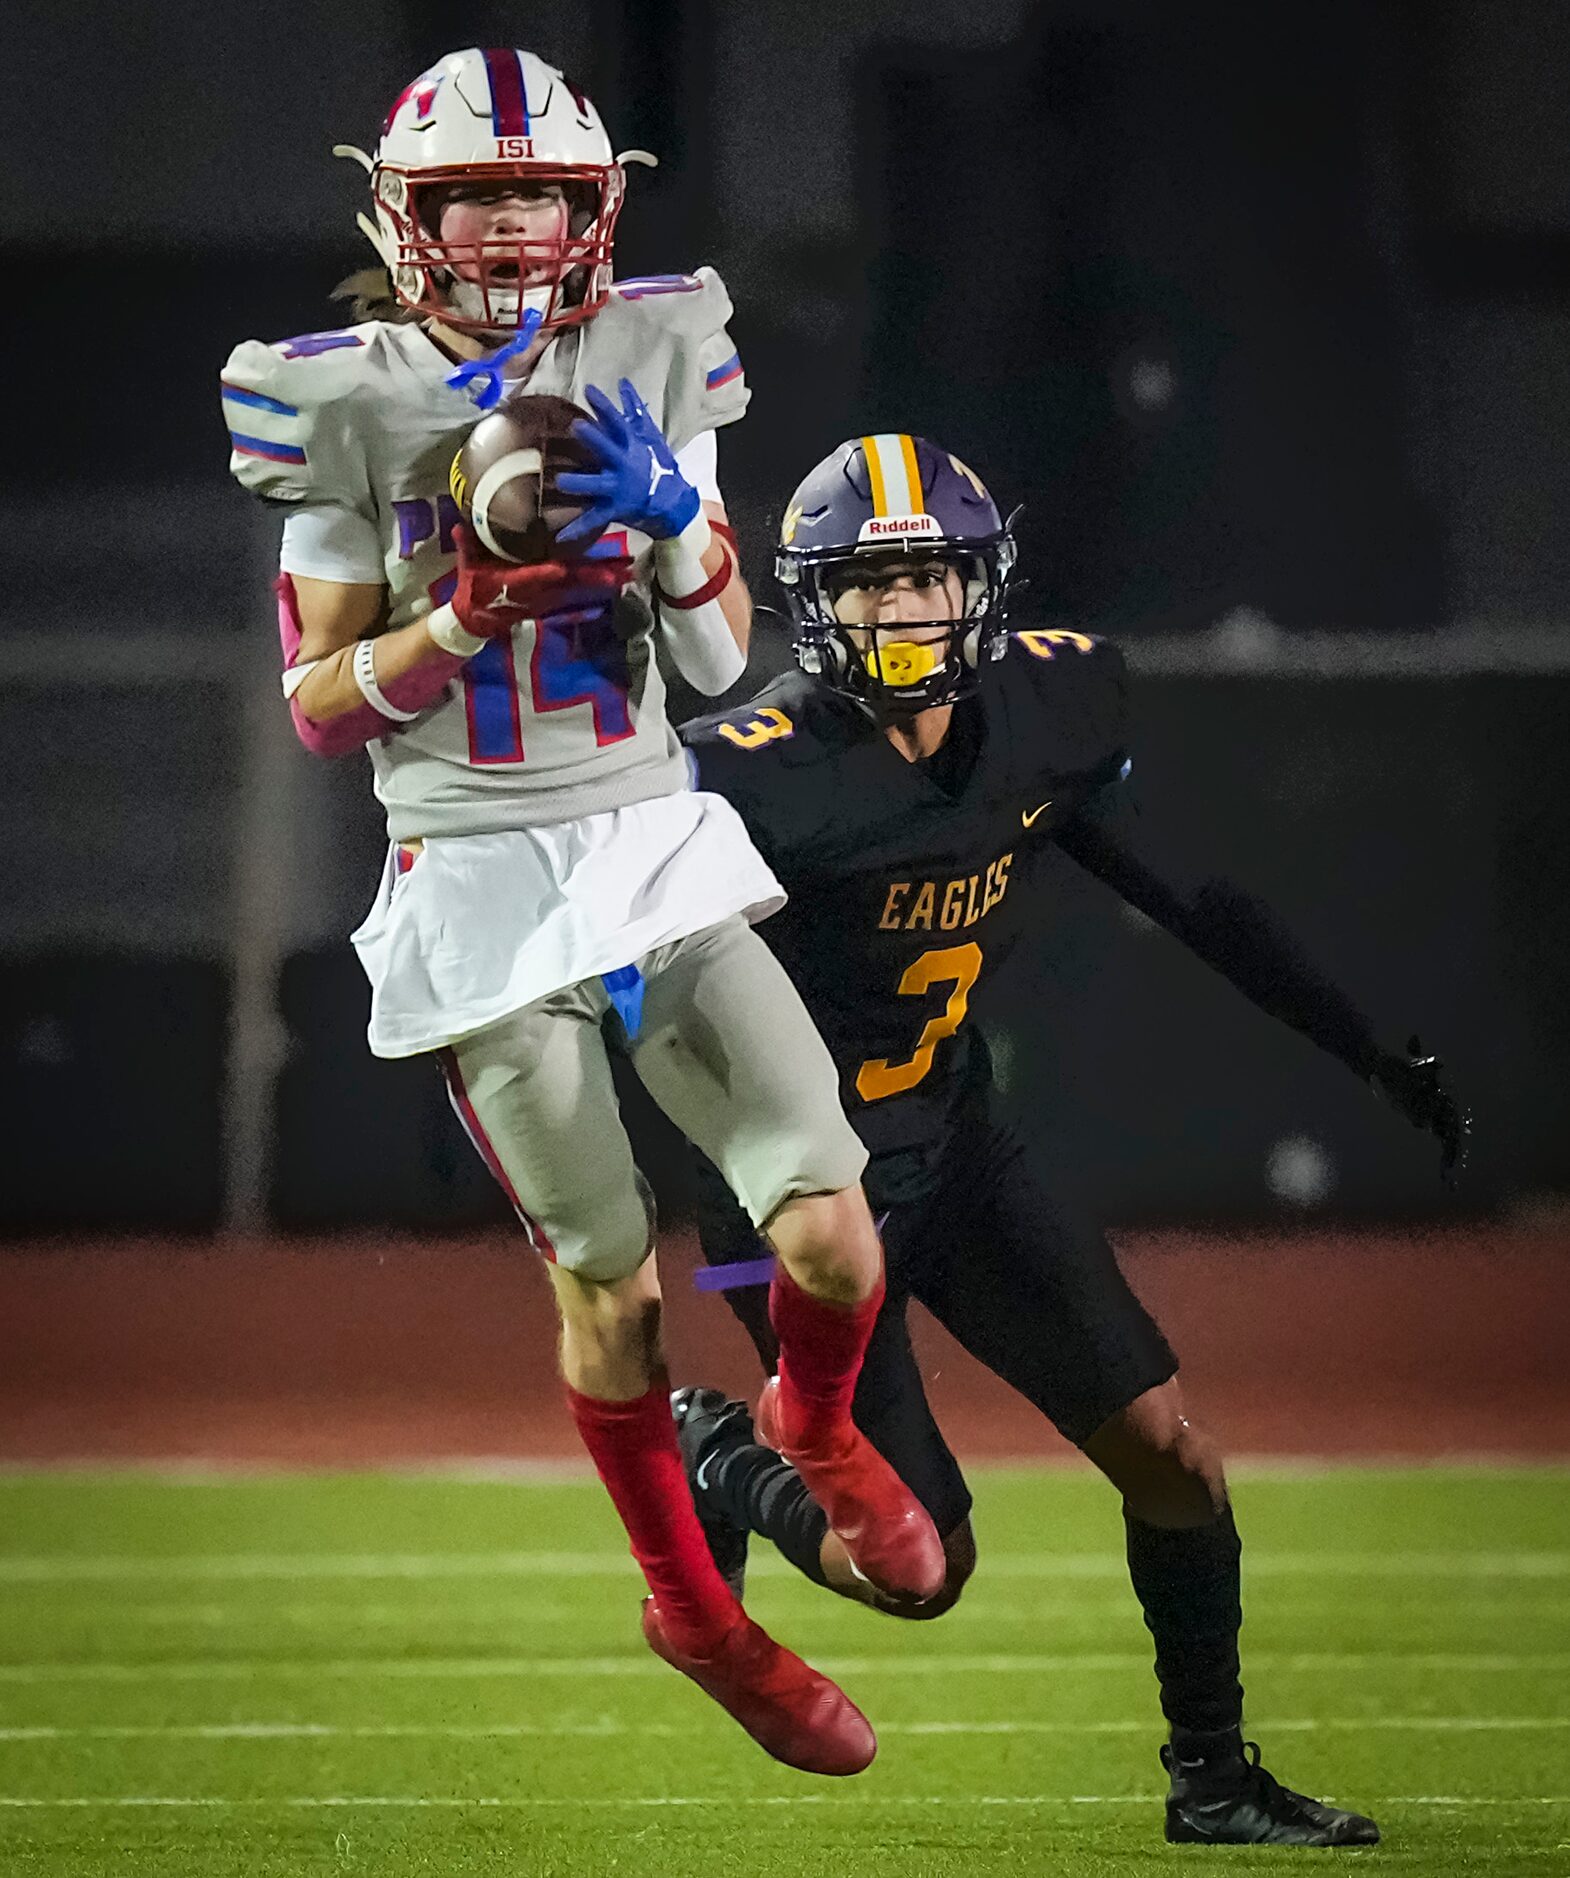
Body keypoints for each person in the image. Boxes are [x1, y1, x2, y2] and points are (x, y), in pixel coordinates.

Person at [220, 53, 944, 1778]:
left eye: (542, 196)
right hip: (473, 871)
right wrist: (463, 618)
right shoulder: (333, 394)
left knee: (832, 1230)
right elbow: (321, 711)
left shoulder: (654, 345)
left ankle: (811, 1422)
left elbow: (713, 662)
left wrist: (682, 517)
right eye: (481, 195)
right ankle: (692, 1605)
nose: (516, 226)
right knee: (614, 1297)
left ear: (590, 205)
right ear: (408, 214)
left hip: (643, 834)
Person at [675, 433, 1469, 1841]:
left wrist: (1359, 1044)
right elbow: (649, 1015)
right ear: (816, 604)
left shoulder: (1048, 699)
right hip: (804, 1198)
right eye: (872, 584)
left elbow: (1195, 895)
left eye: (927, 577)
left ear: (977, 585)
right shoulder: (745, 776)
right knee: (919, 1571)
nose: (905, 610)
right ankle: (722, 1452)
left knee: (1170, 1452)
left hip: (958, 1146)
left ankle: (1213, 1781)